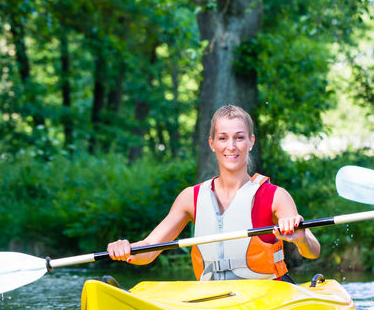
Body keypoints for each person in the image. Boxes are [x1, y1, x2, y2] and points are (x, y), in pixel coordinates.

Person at [107, 104, 320, 281]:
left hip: (266, 298)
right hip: (213, 301)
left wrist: (301, 238)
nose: (231, 146)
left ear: (251, 142)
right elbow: (150, 249)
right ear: (212, 143)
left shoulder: (275, 196)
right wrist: (127, 249)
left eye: (239, 137)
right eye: (223, 138)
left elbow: (313, 250)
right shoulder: (190, 198)